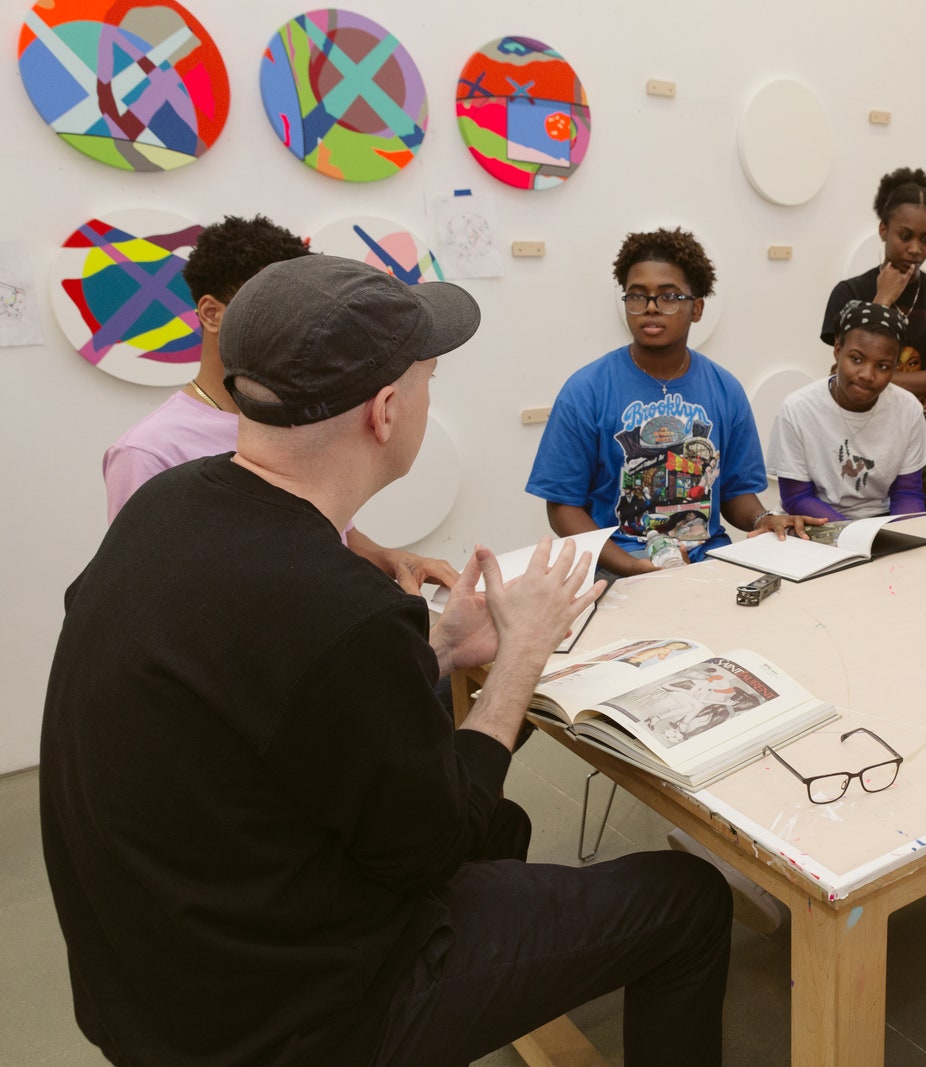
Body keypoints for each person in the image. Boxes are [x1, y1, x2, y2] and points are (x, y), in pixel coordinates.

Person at [40, 255, 733, 1065]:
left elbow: (257, 691)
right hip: (286, 1021)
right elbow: (435, 848)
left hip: (154, 987)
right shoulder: (342, 609)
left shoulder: (168, 502)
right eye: (430, 378)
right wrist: (518, 660)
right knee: (685, 899)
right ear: (387, 409)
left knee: (500, 831)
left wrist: (436, 650)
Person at [101, 214, 457, 595]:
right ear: (211, 313)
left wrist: (390, 559)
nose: (294, 320)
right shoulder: (148, 451)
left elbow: (328, 531)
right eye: (266, 303)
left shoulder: (306, 412)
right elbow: (149, 593)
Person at [527, 227, 816, 578]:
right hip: (618, 567)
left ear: (696, 308)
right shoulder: (586, 390)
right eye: (637, 296)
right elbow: (562, 507)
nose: (650, 308)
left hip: (711, 563)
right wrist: (632, 567)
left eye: (668, 297)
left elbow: (735, 493)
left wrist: (764, 519)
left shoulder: (725, 389)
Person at [821, 167, 926, 512]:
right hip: (858, 431)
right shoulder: (851, 293)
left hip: (924, 432)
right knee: (854, 527)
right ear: (883, 229)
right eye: (905, 236)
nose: (916, 249)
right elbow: (842, 369)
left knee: (917, 534)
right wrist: (882, 300)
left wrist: (879, 378)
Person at [771, 301, 926, 520]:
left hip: (882, 523)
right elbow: (797, 498)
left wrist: (903, 539)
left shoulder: (908, 409)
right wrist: (854, 535)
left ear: (896, 366)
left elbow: (907, 493)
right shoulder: (798, 409)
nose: (867, 374)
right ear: (838, 350)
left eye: (883, 366)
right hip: (814, 522)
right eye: (856, 359)